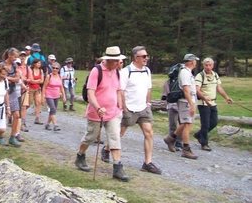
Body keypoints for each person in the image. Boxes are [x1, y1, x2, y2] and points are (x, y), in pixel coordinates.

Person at [75, 46, 129, 182]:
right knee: (91, 137)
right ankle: (80, 156)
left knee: (115, 137)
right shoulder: (96, 71)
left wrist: (120, 106)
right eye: (116, 61)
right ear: (108, 60)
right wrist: (98, 107)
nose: (118, 63)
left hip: (113, 112)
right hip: (96, 112)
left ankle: (117, 167)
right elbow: (90, 93)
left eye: (119, 61)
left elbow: (117, 90)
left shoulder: (116, 71)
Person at [118, 46, 161, 174]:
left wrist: (148, 103)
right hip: (129, 108)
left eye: (146, 56)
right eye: (143, 56)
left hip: (143, 108)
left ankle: (147, 163)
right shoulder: (126, 71)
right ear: (135, 58)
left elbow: (149, 88)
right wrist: (124, 107)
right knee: (119, 133)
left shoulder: (147, 70)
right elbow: (121, 91)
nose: (146, 58)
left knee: (149, 133)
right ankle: (107, 149)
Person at [164, 53, 199, 159]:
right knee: (187, 124)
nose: (196, 63)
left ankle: (171, 138)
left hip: (189, 100)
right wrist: (191, 104)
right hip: (185, 101)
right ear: (192, 62)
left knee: (185, 123)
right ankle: (186, 149)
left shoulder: (188, 72)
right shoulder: (185, 73)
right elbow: (186, 89)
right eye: (195, 61)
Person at [194, 57, 233, 151]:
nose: (208, 67)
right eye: (206, 65)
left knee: (214, 122)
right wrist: (204, 98)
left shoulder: (215, 75)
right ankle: (204, 143)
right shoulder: (199, 76)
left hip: (213, 102)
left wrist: (227, 97)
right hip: (203, 103)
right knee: (205, 124)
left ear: (213, 65)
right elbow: (197, 90)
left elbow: (219, 88)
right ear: (203, 65)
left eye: (210, 65)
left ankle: (199, 134)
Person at [2, 48, 21, 147]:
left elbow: (17, 79)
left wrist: (7, 78)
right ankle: (0, 136)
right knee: (3, 115)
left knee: (17, 115)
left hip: (12, 92)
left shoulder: (15, 66)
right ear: (9, 55)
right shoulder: (1, 65)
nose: (16, 59)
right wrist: (10, 79)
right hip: (2, 92)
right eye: (14, 56)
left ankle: (12, 137)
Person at [43, 62, 66, 131]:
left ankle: (47, 124)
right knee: (52, 109)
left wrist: (64, 96)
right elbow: (44, 87)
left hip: (56, 95)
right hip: (49, 95)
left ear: (59, 69)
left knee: (53, 110)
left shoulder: (59, 76)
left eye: (56, 68)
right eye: (53, 68)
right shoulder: (49, 76)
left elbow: (61, 87)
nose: (55, 69)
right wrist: (43, 96)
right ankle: (55, 125)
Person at [17, 51, 32, 132]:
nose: (22, 57)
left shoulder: (27, 68)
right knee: (16, 107)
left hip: (24, 89)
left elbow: (30, 78)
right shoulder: (16, 66)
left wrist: (24, 79)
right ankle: (14, 120)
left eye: (24, 56)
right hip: (15, 89)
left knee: (23, 107)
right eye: (21, 56)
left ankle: (22, 123)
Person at [28, 58, 45, 125]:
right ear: (34, 64)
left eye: (40, 63)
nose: (39, 64)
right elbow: (31, 80)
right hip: (30, 89)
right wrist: (37, 81)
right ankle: (21, 115)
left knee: (38, 103)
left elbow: (42, 81)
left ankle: (37, 118)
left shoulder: (41, 71)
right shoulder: (31, 70)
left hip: (37, 88)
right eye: (38, 63)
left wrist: (35, 81)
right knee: (28, 103)